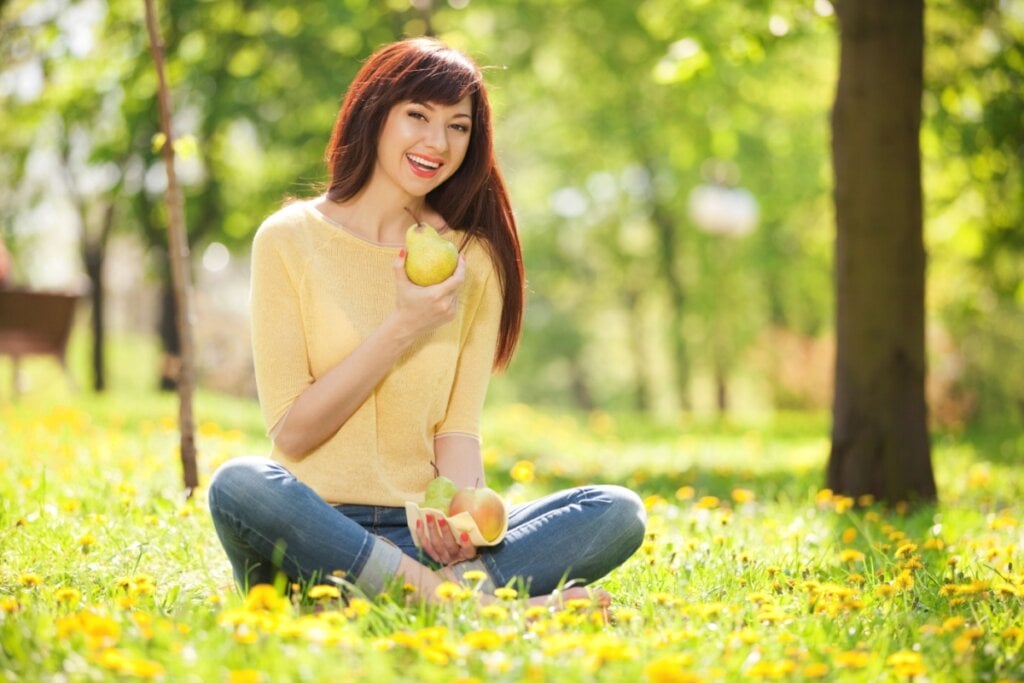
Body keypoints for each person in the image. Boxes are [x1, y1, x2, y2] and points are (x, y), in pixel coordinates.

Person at [207, 37, 646, 610]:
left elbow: (456, 431)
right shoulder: (290, 240)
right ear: (374, 113)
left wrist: (462, 523)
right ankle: (474, 608)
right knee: (239, 484)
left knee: (615, 511)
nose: (437, 142)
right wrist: (402, 327)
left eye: (458, 126)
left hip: (420, 537)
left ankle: (386, 599)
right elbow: (292, 432)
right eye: (417, 115)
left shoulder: (471, 258)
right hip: (316, 530)